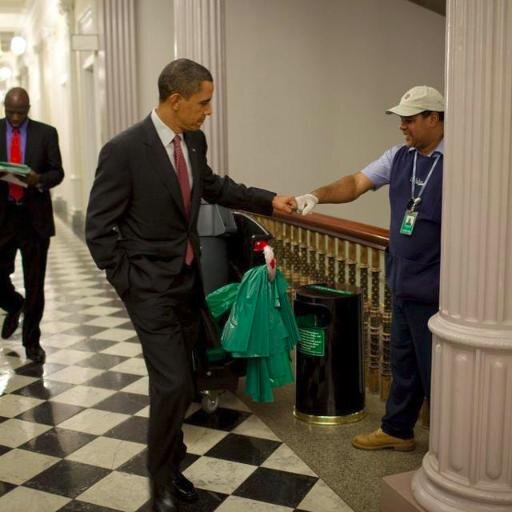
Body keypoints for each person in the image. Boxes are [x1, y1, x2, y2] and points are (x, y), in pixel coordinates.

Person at [85, 58, 295, 512]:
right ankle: (158, 481)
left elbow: (216, 187)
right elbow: (98, 229)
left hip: (187, 282)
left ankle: (173, 465)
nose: (208, 111)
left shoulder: (193, 141)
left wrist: (269, 200)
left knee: (184, 380)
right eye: (204, 102)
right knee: (173, 383)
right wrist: (129, 284)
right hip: (150, 290)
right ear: (175, 100)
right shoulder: (123, 150)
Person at [295, 85, 444, 452]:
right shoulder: (399, 157)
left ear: (434, 119)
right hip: (403, 279)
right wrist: (315, 195)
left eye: (410, 120)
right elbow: (356, 183)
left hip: (439, 285)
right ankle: (398, 429)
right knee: (403, 360)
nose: (403, 127)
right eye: (401, 120)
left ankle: (455, 452)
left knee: (438, 373)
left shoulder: (460, 161)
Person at [0, 87, 64, 363]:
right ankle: (14, 304)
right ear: (4, 106)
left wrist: (38, 179)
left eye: (21, 112)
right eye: (10, 112)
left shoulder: (46, 133)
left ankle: (32, 342)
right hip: (2, 219)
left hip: (33, 219)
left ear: (28, 109)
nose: (15, 118)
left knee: (35, 284)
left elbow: (57, 172)